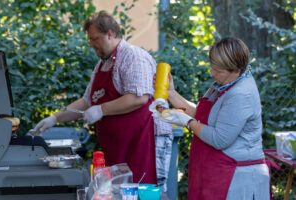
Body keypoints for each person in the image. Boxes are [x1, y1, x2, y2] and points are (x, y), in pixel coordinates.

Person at [34, 10, 172, 186]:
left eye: (94, 39)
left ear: (110, 34)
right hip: (120, 148)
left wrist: (101, 109)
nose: (91, 44)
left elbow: (139, 98)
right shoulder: (103, 64)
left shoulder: (132, 56)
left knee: (146, 191)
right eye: (90, 40)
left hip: (144, 142)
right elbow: (86, 102)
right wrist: (55, 118)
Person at [158, 37, 270, 199]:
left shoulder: (240, 94)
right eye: (213, 67)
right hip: (213, 169)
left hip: (235, 178)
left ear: (236, 70)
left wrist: (187, 122)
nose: (212, 73)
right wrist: (172, 94)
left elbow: (219, 139)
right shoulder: (224, 84)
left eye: (217, 71)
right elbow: (202, 116)